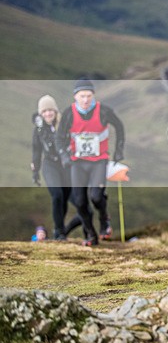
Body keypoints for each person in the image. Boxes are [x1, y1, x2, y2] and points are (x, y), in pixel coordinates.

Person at [56, 77, 125, 246]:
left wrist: (118, 151)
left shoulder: (103, 111)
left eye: (88, 96)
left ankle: (104, 220)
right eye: (82, 96)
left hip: (98, 162)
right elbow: (59, 138)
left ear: (93, 95)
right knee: (79, 202)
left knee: (96, 197)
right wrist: (65, 156)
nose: (86, 100)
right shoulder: (68, 113)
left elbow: (119, 127)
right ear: (75, 97)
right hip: (78, 163)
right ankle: (91, 235)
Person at [31, 94, 85, 240]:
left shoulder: (65, 124)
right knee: (57, 195)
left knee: (76, 201)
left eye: (50, 110)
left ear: (55, 111)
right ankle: (59, 231)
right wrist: (35, 171)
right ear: (41, 113)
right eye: (44, 111)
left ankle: (62, 233)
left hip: (67, 165)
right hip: (50, 165)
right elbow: (36, 150)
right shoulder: (39, 130)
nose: (48, 114)